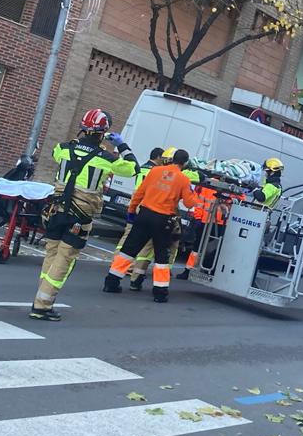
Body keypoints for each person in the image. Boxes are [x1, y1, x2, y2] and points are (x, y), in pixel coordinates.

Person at [32, 109, 138, 321]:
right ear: (103, 133)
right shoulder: (106, 159)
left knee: (51, 253)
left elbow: (55, 153)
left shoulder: (63, 148)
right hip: (79, 216)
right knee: (65, 258)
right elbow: (133, 168)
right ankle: (42, 304)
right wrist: (121, 145)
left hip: (55, 211)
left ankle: (41, 296)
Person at [103, 148, 198, 302]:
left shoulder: (155, 171)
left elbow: (140, 193)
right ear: (185, 163)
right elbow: (189, 203)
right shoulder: (183, 179)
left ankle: (111, 282)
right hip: (163, 220)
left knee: (128, 250)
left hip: (144, 214)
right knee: (161, 257)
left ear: (172, 158)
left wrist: (132, 211)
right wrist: (193, 195)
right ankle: (160, 293)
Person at [114, 146, 164, 292]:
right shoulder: (157, 171)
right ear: (158, 157)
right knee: (145, 240)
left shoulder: (142, 167)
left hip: (135, 200)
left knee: (128, 234)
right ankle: (132, 269)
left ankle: (117, 262)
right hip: (147, 203)